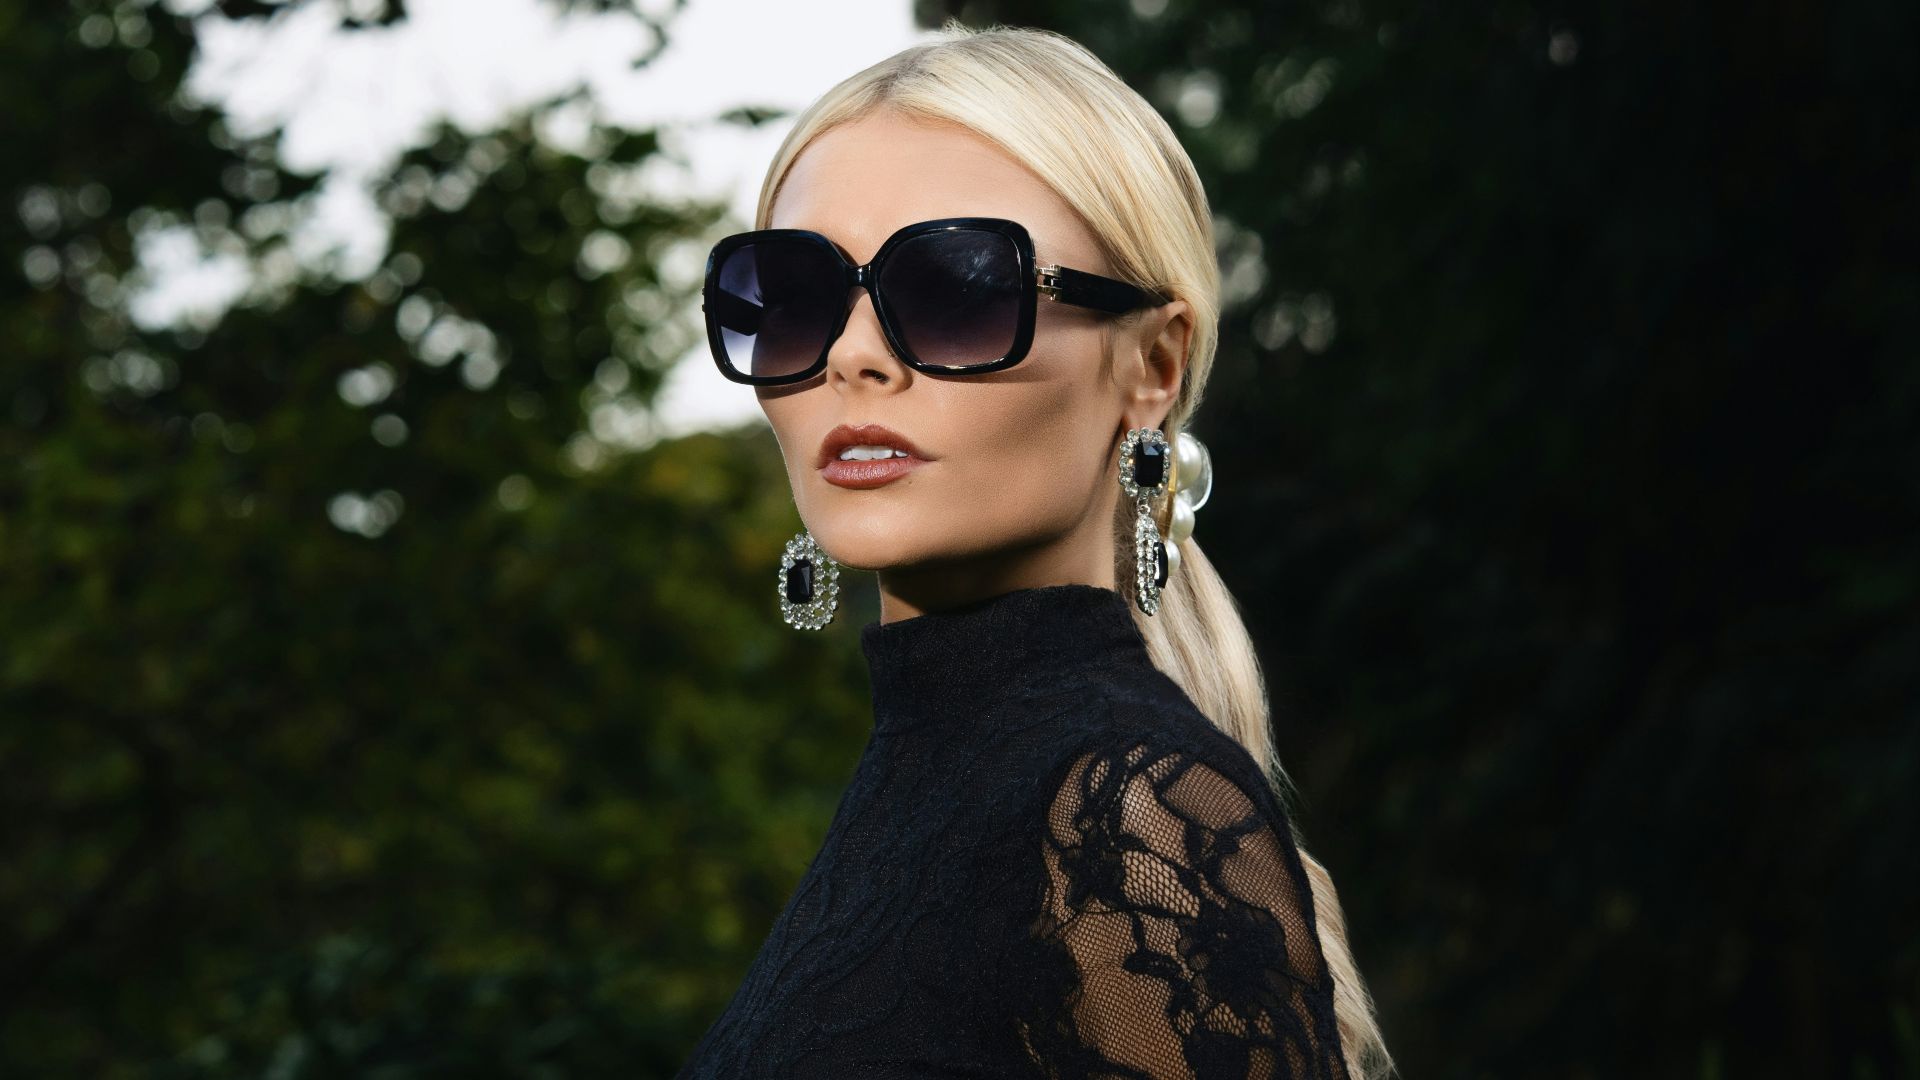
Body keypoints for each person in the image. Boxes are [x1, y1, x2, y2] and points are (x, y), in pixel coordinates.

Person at [675, 21, 1393, 1080]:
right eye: (792, 299)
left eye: (958, 289)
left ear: (1152, 363)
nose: (855, 358)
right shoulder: (938, 781)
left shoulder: (1126, 809)